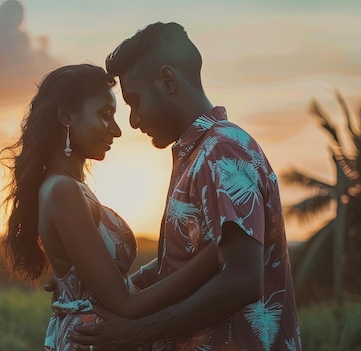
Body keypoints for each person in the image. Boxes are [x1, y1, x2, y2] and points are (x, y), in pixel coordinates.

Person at [68, 22, 301, 351]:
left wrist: (135, 332)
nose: (133, 121)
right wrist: (98, 286)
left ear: (167, 80)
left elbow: (242, 279)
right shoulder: (199, 155)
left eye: (134, 101)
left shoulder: (223, 151)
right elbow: (190, 262)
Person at [0, 63, 221, 351]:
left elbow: (113, 288)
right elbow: (125, 304)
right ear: (66, 115)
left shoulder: (70, 188)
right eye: (105, 115)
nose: (116, 130)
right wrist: (214, 255)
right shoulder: (62, 191)